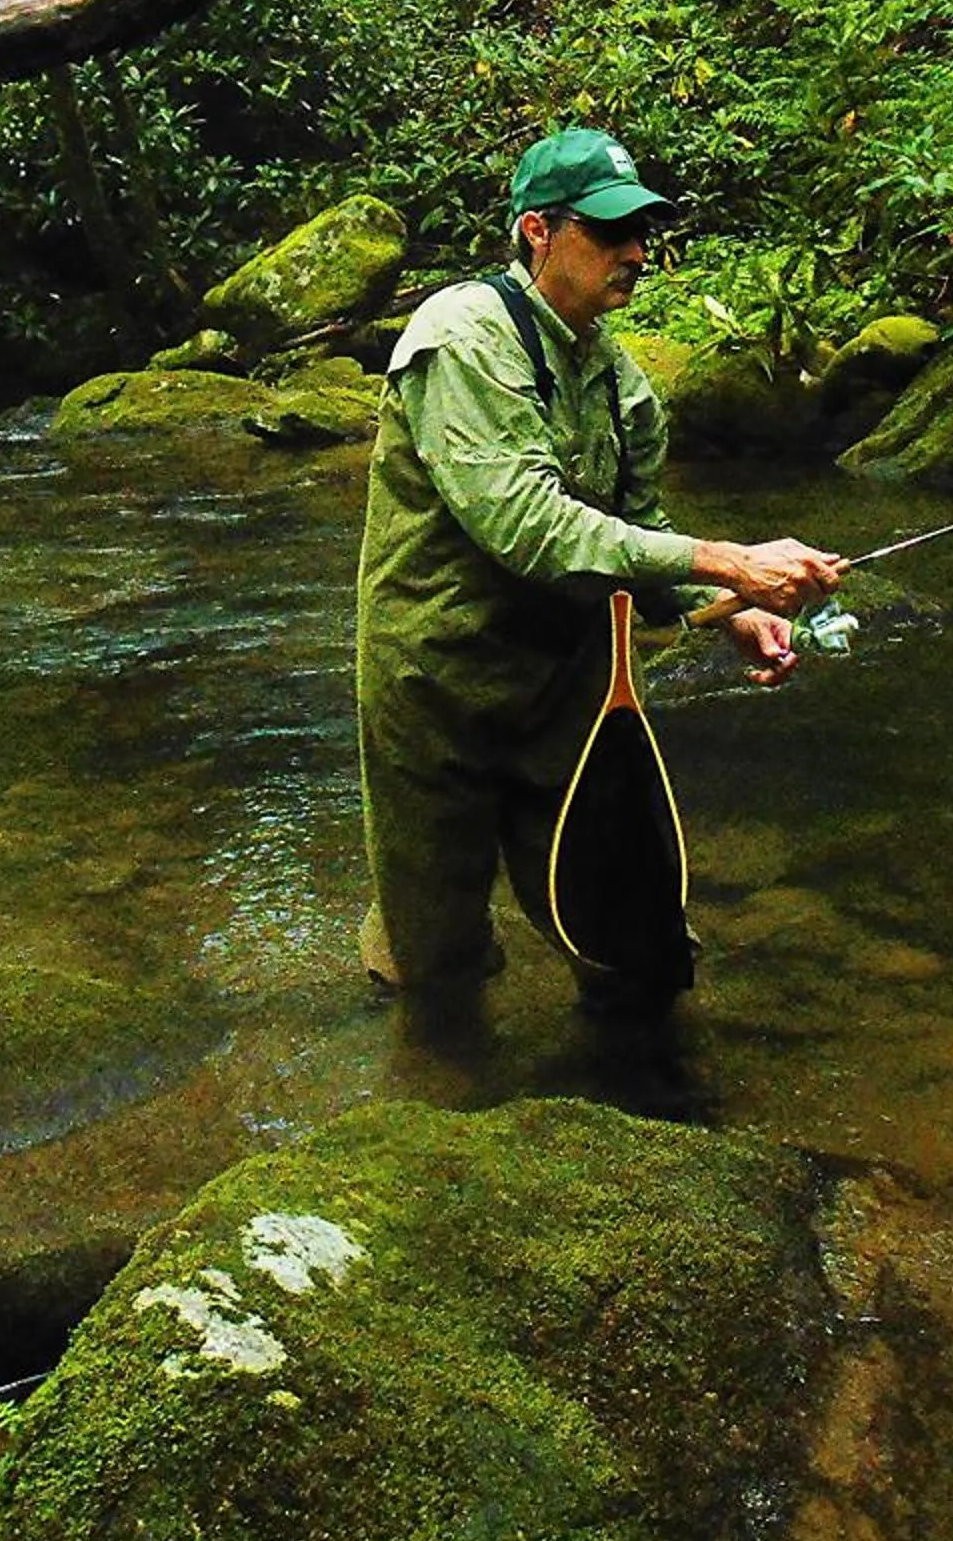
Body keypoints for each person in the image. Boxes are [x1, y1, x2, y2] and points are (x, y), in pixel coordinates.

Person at [355, 127, 846, 1009]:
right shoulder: (462, 335)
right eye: (610, 232)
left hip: (570, 690)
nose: (636, 253)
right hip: (436, 687)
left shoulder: (622, 381)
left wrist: (733, 605)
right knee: (439, 967)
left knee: (640, 946)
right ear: (537, 232)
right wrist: (729, 558)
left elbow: (638, 532)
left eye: (641, 233)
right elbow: (528, 527)